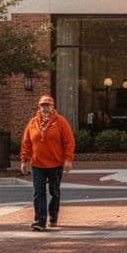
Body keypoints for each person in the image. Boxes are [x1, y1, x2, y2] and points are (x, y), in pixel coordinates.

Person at [19, 94, 75, 231]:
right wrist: (24, 160)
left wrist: (68, 160)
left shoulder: (61, 122)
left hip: (55, 163)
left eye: (48, 105)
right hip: (38, 164)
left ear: (53, 107)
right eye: (43, 105)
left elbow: (69, 142)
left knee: (54, 192)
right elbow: (26, 143)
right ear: (39, 107)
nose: (46, 108)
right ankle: (40, 221)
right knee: (39, 193)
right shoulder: (33, 123)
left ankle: (53, 216)